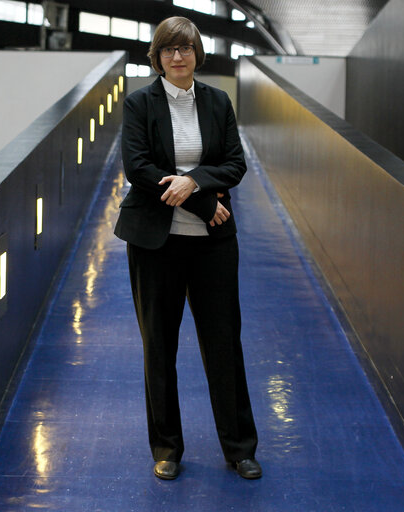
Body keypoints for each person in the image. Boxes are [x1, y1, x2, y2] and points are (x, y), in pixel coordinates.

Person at [114, 16, 261, 481]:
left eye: (186, 48)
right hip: (155, 244)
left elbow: (234, 163)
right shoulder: (139, 103)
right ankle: (167, 447)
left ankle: (239, 448)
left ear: (198, 53)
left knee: (223, 343)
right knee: (159, 345)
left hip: (213, 246)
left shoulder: (218, 102)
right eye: (168, 50)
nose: (177, 56)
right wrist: (200, 199)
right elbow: (138, 167)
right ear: (156, 57)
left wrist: (196, 179)